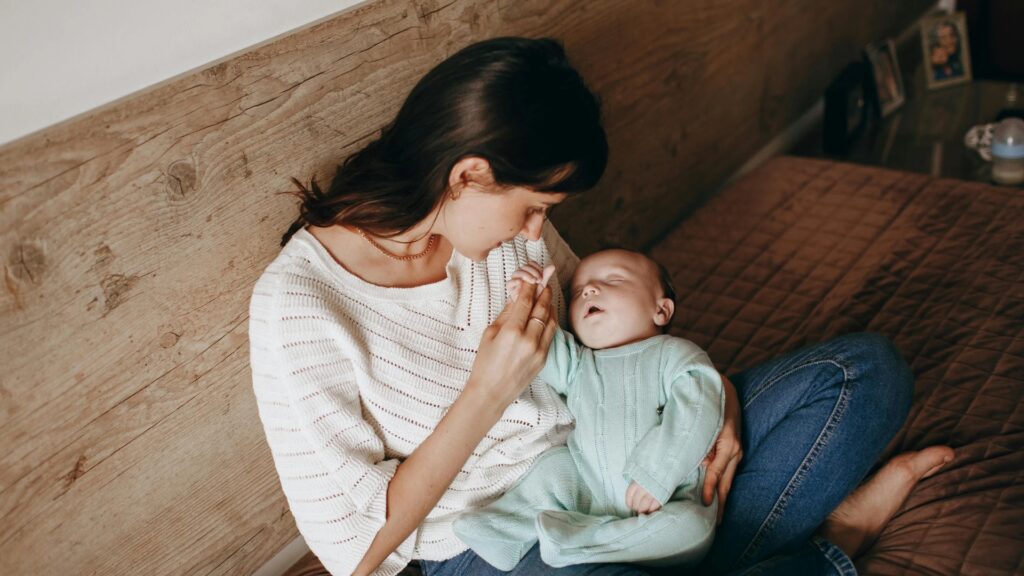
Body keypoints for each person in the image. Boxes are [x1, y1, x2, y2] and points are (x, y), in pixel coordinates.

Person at [247, 36, 954, 576]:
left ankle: (661, 549)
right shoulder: (300, 307)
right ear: (469, 174)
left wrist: (717, 409)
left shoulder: (492, 231)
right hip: (491, 541)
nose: (536, 234)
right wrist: (487, 392)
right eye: (534, 209)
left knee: (866, 373)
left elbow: (611, 333)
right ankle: (834, 547)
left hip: (613, 454)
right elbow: (358, 553)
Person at [453, 251, 724, 570]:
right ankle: (500, 528)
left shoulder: (675, 356)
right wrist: (524, 301)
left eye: (614, 279)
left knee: (692, 527)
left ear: (661, 310)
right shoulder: (580, 363)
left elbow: (695, 412)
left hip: (667, 499)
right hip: (589, 494)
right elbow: (540, 349)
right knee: (553, 470)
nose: (589, 290)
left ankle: (577, 544)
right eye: (578, 291)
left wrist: (657, 475)